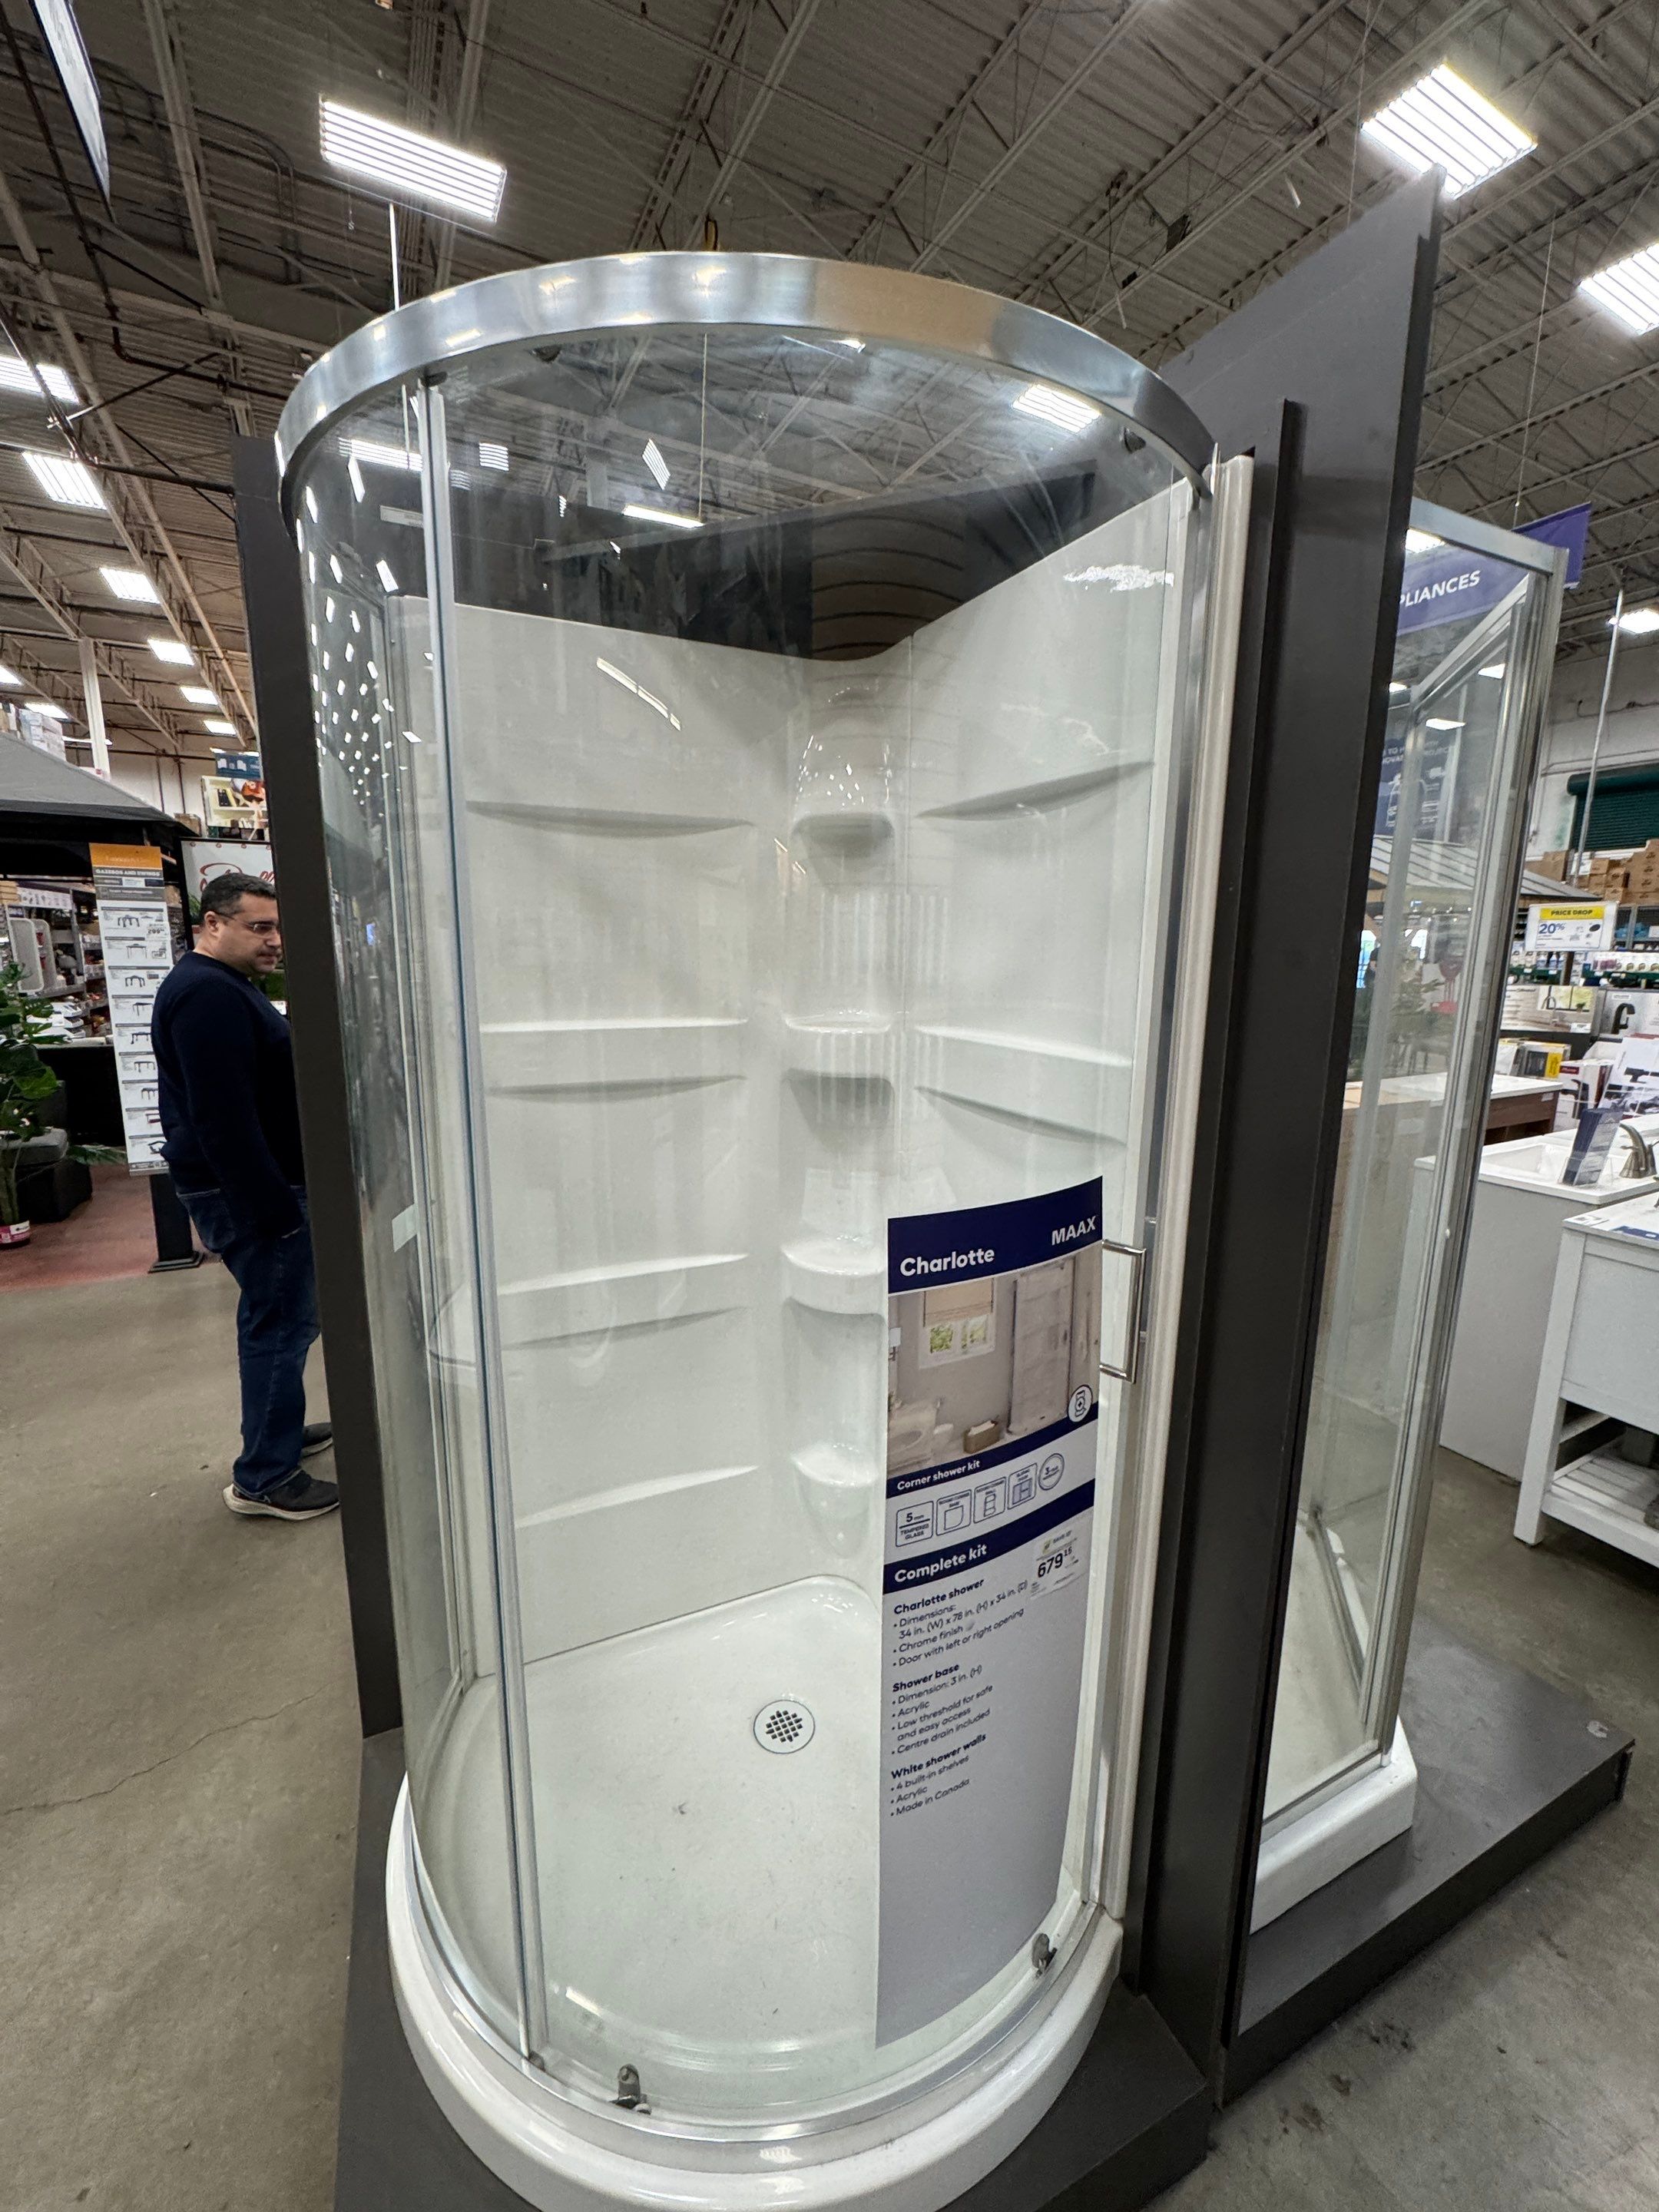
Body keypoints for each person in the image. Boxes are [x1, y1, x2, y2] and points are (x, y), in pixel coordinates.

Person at [151, 871, 338, 1522]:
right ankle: (265, 1476)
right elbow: (223, 1119)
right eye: (259, 927)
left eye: (277, 927)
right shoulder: (209, 996)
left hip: (250, 1184)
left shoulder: (222, 987)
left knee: (281, 1318)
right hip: (251, 1192)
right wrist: (272, 1211)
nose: (274, 941)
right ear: (213, 924)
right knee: (281, 1321)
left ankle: (275, 1435)